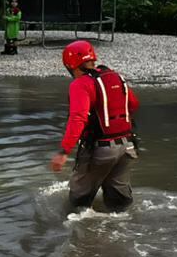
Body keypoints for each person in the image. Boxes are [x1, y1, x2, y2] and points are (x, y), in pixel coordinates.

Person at [49, 40, 140, 212]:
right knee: (120, 205)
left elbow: (78, 118)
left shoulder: (81, 84)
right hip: (127, 146)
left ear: (70, 65)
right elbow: (133, 104)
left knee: (78, 203)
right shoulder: (114, 76)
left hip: (101, 150)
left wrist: (63, 152)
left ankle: (81, 233)